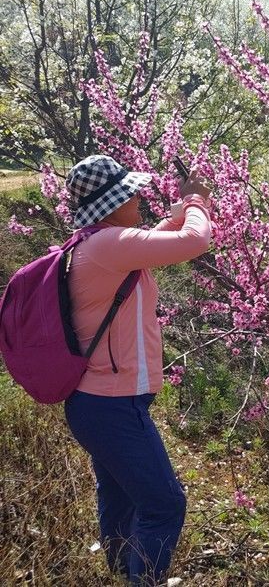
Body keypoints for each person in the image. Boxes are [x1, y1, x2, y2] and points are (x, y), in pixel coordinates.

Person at [62, 154, 212, 585]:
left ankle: (121, 570)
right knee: (165, 504)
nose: (140, 197)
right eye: (131, 193)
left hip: (96, 403)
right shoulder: (110, 246)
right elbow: (195, 241)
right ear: (111, 203)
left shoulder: (95, 243)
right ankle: (139, 579)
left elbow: (158, 238)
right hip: (112, 406)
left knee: (120, 495)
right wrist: (197, 201)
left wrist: (181, 212)